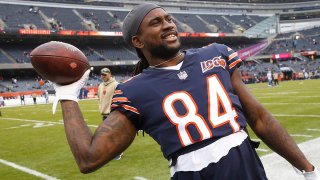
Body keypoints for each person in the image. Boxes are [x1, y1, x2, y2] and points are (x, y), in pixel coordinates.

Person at [52, 3, 319, 180]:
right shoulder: (135, 90)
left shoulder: (216, 55)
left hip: (246, 168)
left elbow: (260, 119)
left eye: (168, 19)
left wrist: (306, 168)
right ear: (137, 40)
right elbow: (88, 159)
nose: (168, 24)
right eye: (156, 22)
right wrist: (67, 95)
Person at [97, 67, 121, 160]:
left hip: (113, 113)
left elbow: (119, 98)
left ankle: (118, 152)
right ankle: (110, 152)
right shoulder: (100, 85)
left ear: (110, 74)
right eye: (102, 74)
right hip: (104, 114)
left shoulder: (116, 85)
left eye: (105, 74)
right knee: (106, 135)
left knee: (114, 134)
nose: (103, 76)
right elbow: (99, 98)